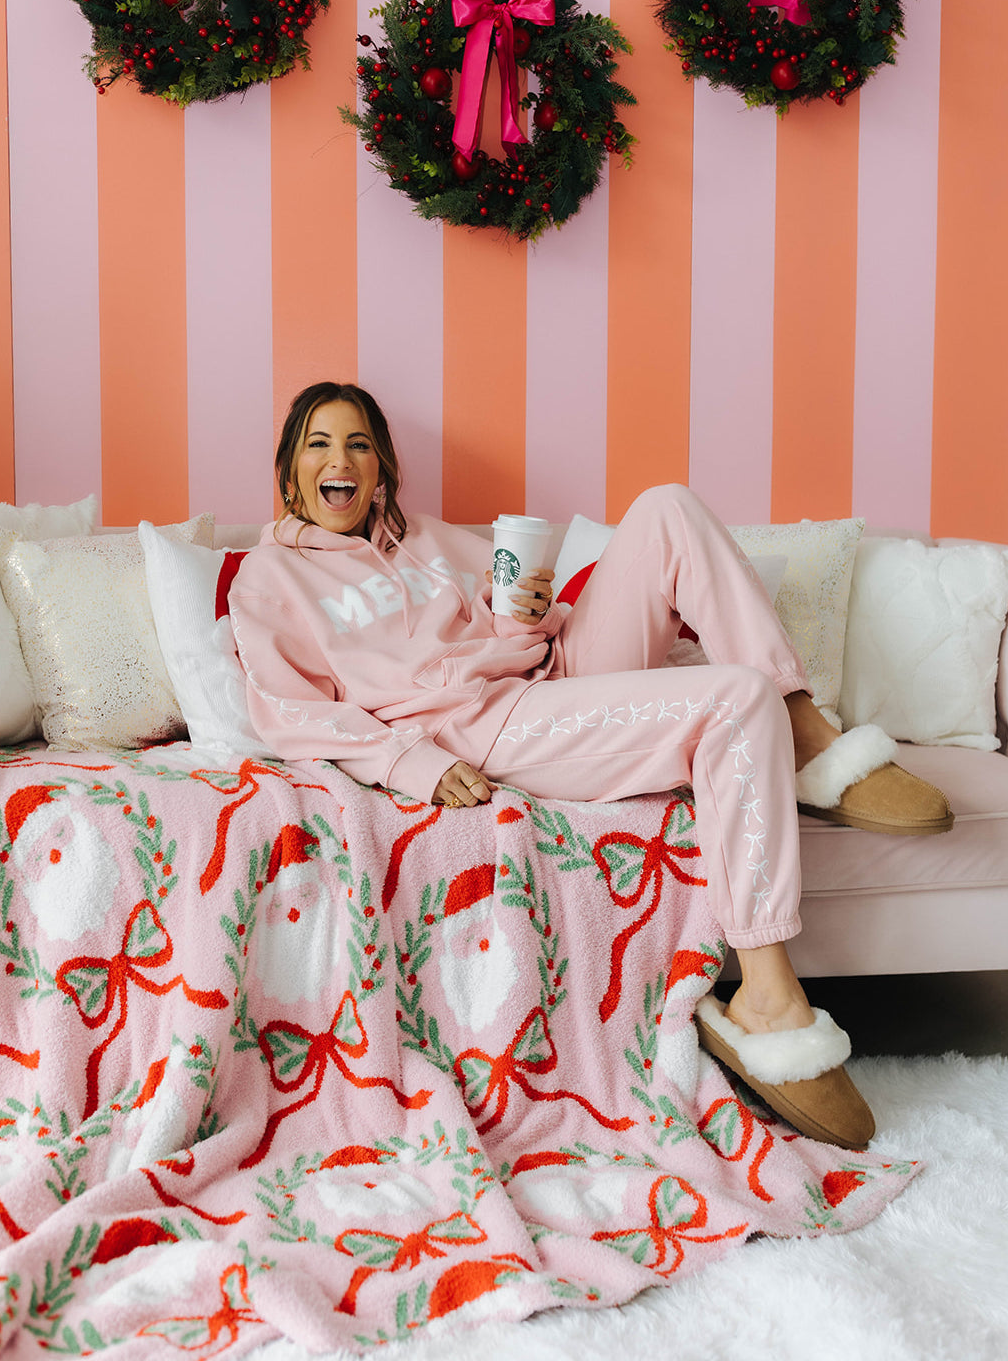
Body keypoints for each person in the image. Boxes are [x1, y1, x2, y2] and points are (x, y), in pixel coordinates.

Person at [229, 382, 953, 1151]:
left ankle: (804, 725)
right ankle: (767, 999)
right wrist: (412, 763)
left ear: (380, 472)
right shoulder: (270, 581)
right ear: (288, 472)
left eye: (358, 445)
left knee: (668, 506)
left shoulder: (430, 541)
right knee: (735, 700)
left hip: (552, 670)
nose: (339, 460)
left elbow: (523, 617)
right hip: (486, 723)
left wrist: (530, 609)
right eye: (318, 443)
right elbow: (288, 712)